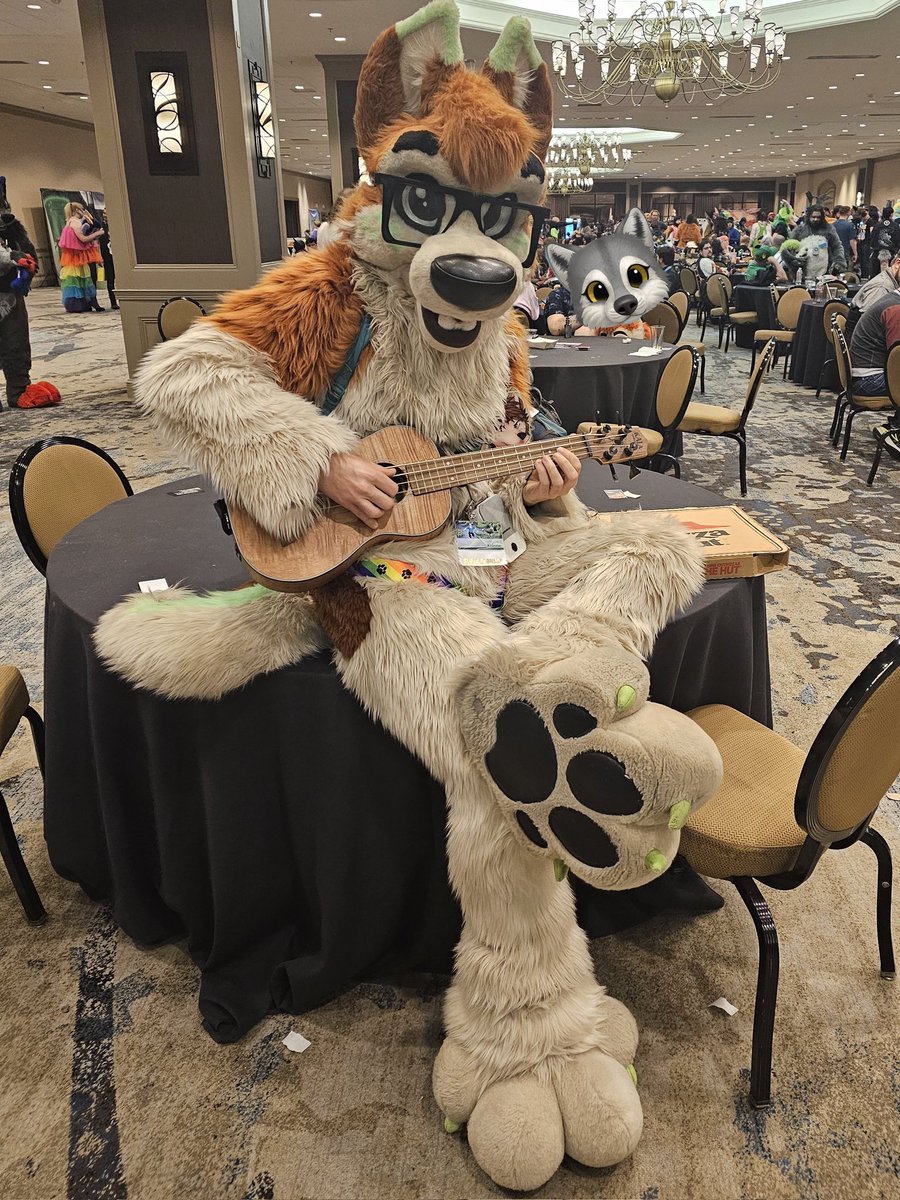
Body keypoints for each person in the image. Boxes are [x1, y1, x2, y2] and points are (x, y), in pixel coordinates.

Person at [0, 176, 60, 408]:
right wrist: (13, 257)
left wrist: (27, 266)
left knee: (16, 342)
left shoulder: (10, 227)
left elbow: (27, 251)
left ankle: (19, 389)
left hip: (10, 295)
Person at [848, 290, 900, 397]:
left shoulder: (891, 299)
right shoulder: (896, 309)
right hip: (869, 379)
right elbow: (896, 358)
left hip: (866, 375)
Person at [58, 201, 104, 312]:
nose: (84, 211)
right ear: (76, 210)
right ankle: (84, 304)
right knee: (83, 280)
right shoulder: (75, 222)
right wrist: (97, 233)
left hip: (78, 256)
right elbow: (83, 239)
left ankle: (85, 304)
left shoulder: (71, 222)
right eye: (82, 209)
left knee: (81, 280)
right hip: (77, 257)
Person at [793, 204, 847, 275]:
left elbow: (837, 246)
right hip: (804, 271)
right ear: (808, 216)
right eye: (813, 217)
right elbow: (790, 247)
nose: (815, 219)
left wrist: (839, 262)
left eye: (818, 217)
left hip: (825, 270)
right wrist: (795, 260)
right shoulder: (799, 230)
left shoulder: (829, 229)